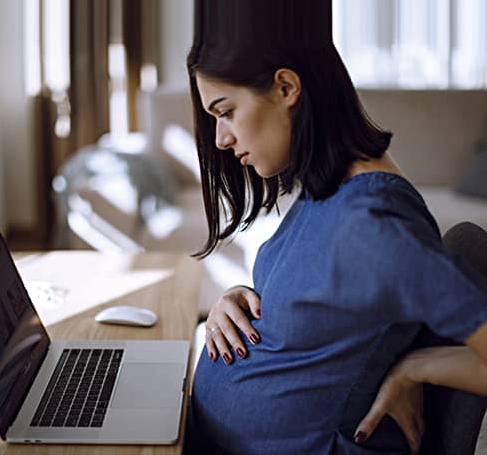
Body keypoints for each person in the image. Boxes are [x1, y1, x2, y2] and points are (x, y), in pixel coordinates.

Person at [183, 41, 487, 455]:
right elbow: (321, 308)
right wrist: (246, 303)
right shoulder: (329, 185)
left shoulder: (377, 223)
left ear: (286, 88)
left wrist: (418, 368)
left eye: (226, 111)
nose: (220, 138)